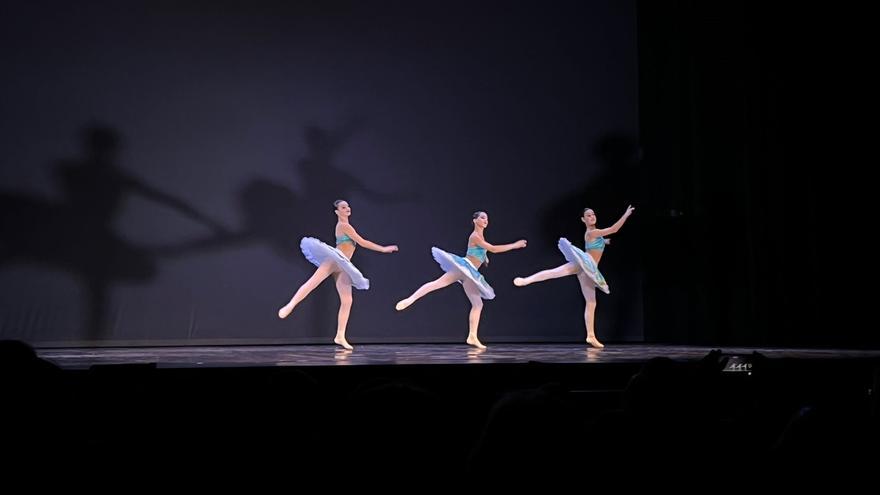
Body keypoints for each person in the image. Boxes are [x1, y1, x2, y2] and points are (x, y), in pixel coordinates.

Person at [395, 211, 526, 349]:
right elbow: (493, 248)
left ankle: (472, 336)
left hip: (471, 274)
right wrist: (514, 245)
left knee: (478, 304)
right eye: (482, 217)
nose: (485, 220)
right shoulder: (475, 236)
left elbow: (481, 252)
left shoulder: (481, 237)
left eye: (487, 218)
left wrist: (484, 258)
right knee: (438, 284)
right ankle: (411, 299)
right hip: (464, 268)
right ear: (475, 220)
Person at [278, 199, 398, 349]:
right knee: (312, 283)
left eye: (347, 206)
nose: (347, 208)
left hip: (344, 266)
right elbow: (362, 242)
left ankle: (340, 336)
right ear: (337, 212)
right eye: (343, 207)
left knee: (347, 301)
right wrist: (383, 249)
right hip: (334, 260)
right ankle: (291, 304)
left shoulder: (347, 226)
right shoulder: (343, 226)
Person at [514, 205, 634, 348]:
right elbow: (614, 229)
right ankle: (526, 280)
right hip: (586, 264)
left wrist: (606, 242)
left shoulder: (596, 234)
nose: (592, 216)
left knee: (591, 302)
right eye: (588, 215)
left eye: (593, 214)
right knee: (555, 272)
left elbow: (601, 241)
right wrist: (626, 215)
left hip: (590, 270)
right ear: (583, 219)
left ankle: (590, 336)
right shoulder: (592, 233)